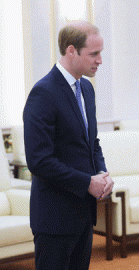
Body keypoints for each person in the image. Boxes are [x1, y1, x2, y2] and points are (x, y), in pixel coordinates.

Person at [23, 21, 114, 270]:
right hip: (54, 217)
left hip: (83, 214)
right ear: (71, 50)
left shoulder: (86, 88)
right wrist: (87, 182)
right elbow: (39, 160)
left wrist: (101, 174)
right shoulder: (43, 92)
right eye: (94, 54)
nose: (100, 60)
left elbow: (91, 142)